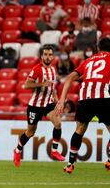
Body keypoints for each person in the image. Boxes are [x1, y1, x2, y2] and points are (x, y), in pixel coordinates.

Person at [55, 38, 110, 174]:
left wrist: (62, 100)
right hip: (103, 97)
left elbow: (69, 78)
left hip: (84, 98)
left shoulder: (89, 60)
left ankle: (70, 164)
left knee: (79, 129)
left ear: (98, 48)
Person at [13, 45, 65, 167]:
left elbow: (52, 87)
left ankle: (54, 151)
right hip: (35, 106)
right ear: (42, 56)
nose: (48, 57)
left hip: (48, 104)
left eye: (50, 54)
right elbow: (26, 85)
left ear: (52, 56)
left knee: (58, 123)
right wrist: (42, 84)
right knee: (30, 132)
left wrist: (57, 100)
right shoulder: (37, 69)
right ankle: (17, 150)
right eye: (45, 54)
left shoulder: (53, 69)